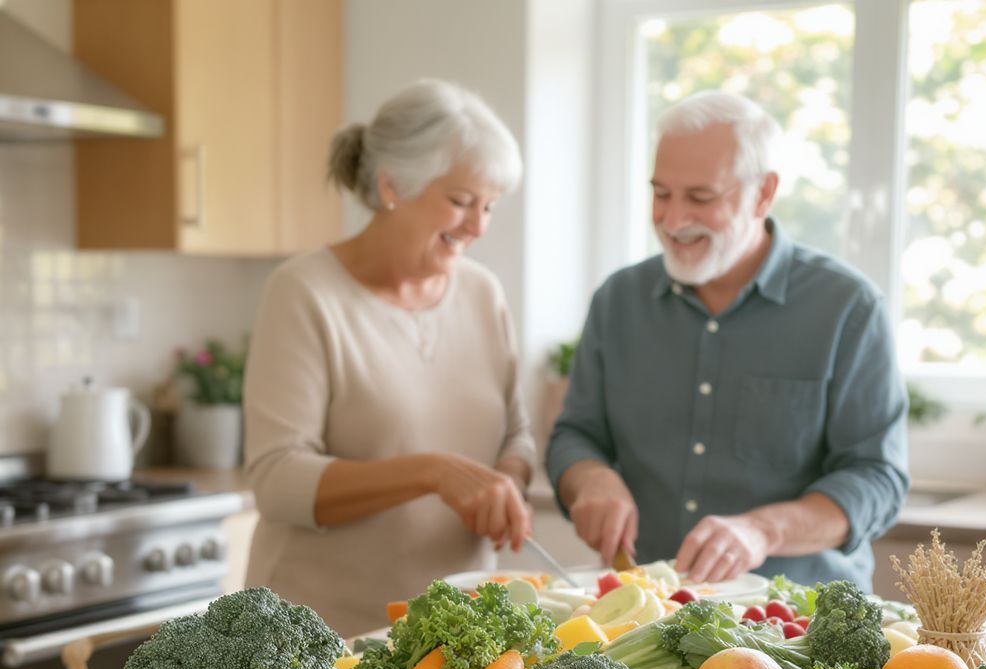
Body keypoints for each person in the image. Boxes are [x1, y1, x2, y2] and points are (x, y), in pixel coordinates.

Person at [546, 90, 909, 593]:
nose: (672, 221)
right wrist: (590, 479)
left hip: (802, 622)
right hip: (652, 615)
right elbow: (575, 434)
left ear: (763, 193)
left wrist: (762, 530)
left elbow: (876, 478)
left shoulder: (849, 308)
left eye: (700, 197)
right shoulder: (618, 300)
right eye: (661, 193)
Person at [243, 79, 535, 637]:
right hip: (322, 638)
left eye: (490, 206)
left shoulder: (481, 293)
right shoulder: (304, 292)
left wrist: (505, 486)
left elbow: (515, 436)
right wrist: (432, 472)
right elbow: (278, 480)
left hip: (457, 635)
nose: (478, 226)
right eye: (460, 201)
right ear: (393, 185)